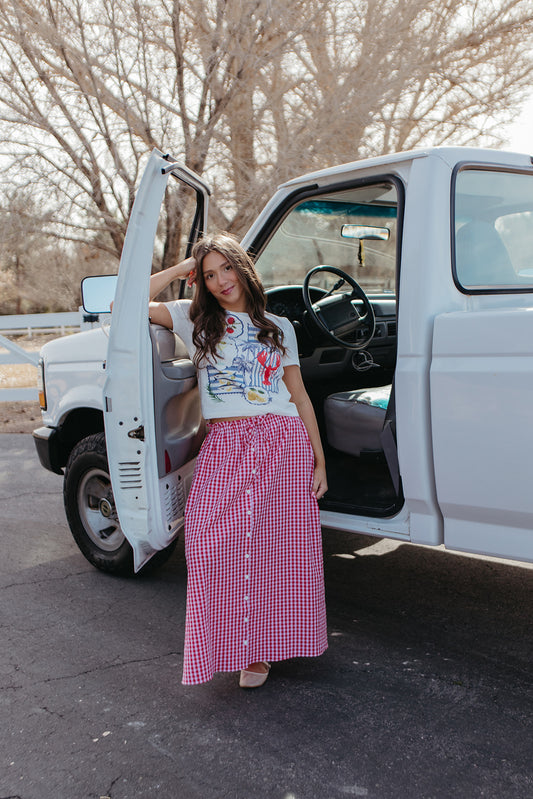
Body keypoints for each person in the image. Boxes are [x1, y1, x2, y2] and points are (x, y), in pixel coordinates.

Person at [149, 232, 328, 687]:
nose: (219, 281)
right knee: (209, 540)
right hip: (227, 442)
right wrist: (178, 272)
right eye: (208, 275)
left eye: (225, 268)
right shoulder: (193, 321)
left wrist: (320, 461)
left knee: (276, 549)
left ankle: (260, 652)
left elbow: (301, 398)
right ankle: (226, 644)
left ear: (242, 268)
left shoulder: (278, 326)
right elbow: (120, 304)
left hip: (282, 440)